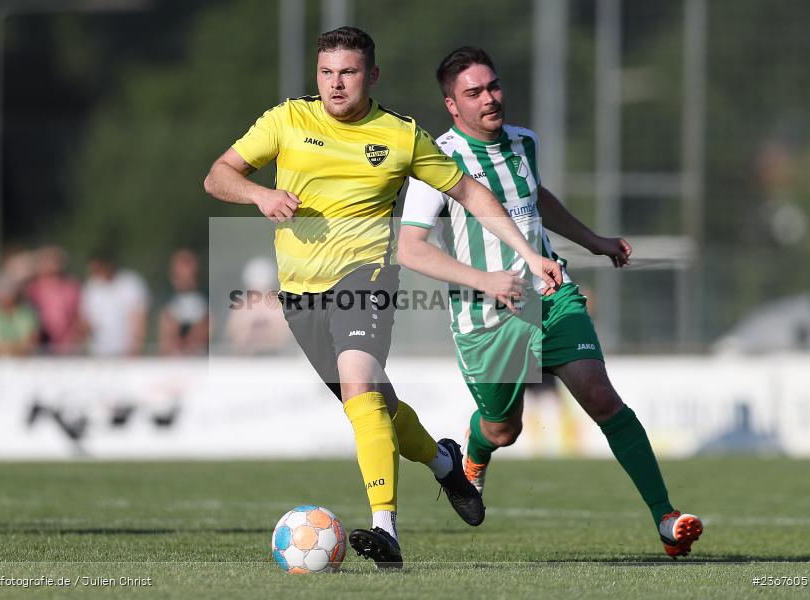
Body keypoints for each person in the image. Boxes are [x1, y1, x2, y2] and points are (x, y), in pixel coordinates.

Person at [203, 27, 562, 568]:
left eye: (347, 72)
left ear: (371, 75)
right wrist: (261, 193)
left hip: (367, 276)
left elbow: (469, 191)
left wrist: (527, 254)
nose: (335, 84)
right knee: (374, 406)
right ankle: (444, 463)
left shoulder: (401, 135)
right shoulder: (286, 120)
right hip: (300, 293)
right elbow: (218, 175)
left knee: (358, 382)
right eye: (326, 73)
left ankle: (384, 528)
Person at [398, 47, 703, 559]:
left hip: (550, 295)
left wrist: (593, 241)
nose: (490, 98)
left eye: (493, 86)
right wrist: (486, 279)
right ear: (452, 105)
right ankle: (474, 452)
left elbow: (534, 198)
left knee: (603, 399)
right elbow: (409, 248)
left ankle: (666, 518)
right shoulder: (437, 159)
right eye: (474, 92)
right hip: (485, 316)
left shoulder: (523, 142)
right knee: (504, 427)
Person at [80, 253, 149, 356]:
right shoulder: (90, 287)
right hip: (98, 353)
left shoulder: (130, 283)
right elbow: (85, 321)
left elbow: (139, 319)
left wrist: (135, 349)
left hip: (125, 353)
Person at [224, 256, 290, 355]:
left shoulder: (279, 305)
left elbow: (284, 336)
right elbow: (233, 333)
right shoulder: (241, 306)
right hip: (248, 362)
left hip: (276, 361)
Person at [25, 246, 82, 354]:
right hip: (42, 345)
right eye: (47, 262)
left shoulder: (72, 287)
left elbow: (78, 315)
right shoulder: (34, 288)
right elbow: (13, 270)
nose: (51, 265)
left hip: (67, 345)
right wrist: (35, 258)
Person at [158, 248, 210, 355]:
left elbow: (203, 333)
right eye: (179, 276)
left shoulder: (205, 304)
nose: (185, 280)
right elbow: (166, 340)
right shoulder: (169, 305)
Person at [0, 274, 39, 356]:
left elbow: (31, 344)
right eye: (1, 291)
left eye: (7, 291)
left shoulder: (28, 314)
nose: (4, 295)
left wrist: (5, 348)